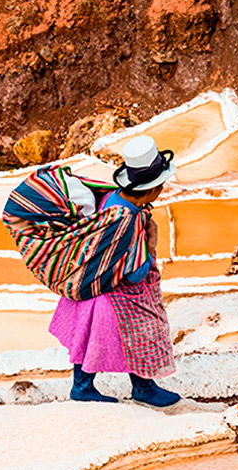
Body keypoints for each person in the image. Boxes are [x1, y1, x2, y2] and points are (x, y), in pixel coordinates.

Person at [47, 135, 181, 407]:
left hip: (96, 283)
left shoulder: (112, 198)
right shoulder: (126, 220)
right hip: (116, 292)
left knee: (91, 338)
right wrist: (152, 246)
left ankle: (88, 387)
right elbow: (134, 273)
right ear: (151, 189)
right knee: (144, 331)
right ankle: (141, 388)